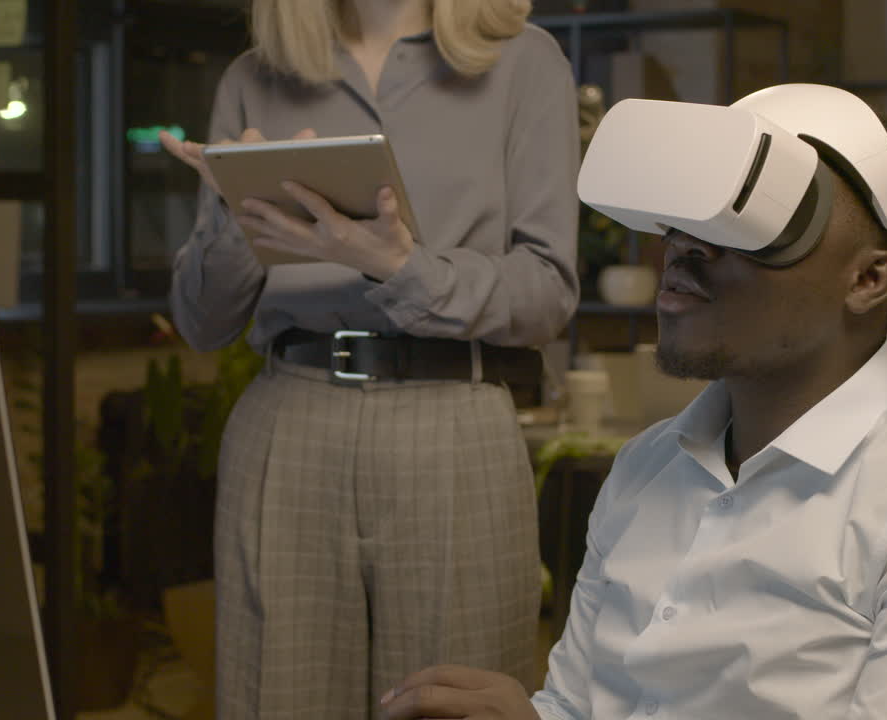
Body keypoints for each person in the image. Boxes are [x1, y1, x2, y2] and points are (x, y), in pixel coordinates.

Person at [377, 85, 887, 720]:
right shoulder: (646, 468)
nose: (682, 248)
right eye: (684, 217)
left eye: (750, 221)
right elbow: (581, 704)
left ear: (870, 279)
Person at [160, 0, 579, 717]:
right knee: (277, 700)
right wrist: (236, 223)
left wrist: (401, 266)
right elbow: (201, 324)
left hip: (455, 423)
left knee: (452, 705)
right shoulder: (252, 78)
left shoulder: (525, 61)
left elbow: (547, 293)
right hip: (288, 426)